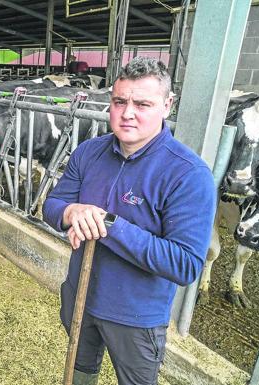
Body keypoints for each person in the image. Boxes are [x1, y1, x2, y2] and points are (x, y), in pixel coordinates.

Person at [43, 57, 216, 385]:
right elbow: (52, 205)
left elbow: (185, 264)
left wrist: (108, 223)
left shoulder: (188, 174)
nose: (127, 113)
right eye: (119, 101)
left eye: (143, 103)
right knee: (79, 376)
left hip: (136, 319)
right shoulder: (88, 152)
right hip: (80, 297)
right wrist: (71, 213)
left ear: (167, 105)